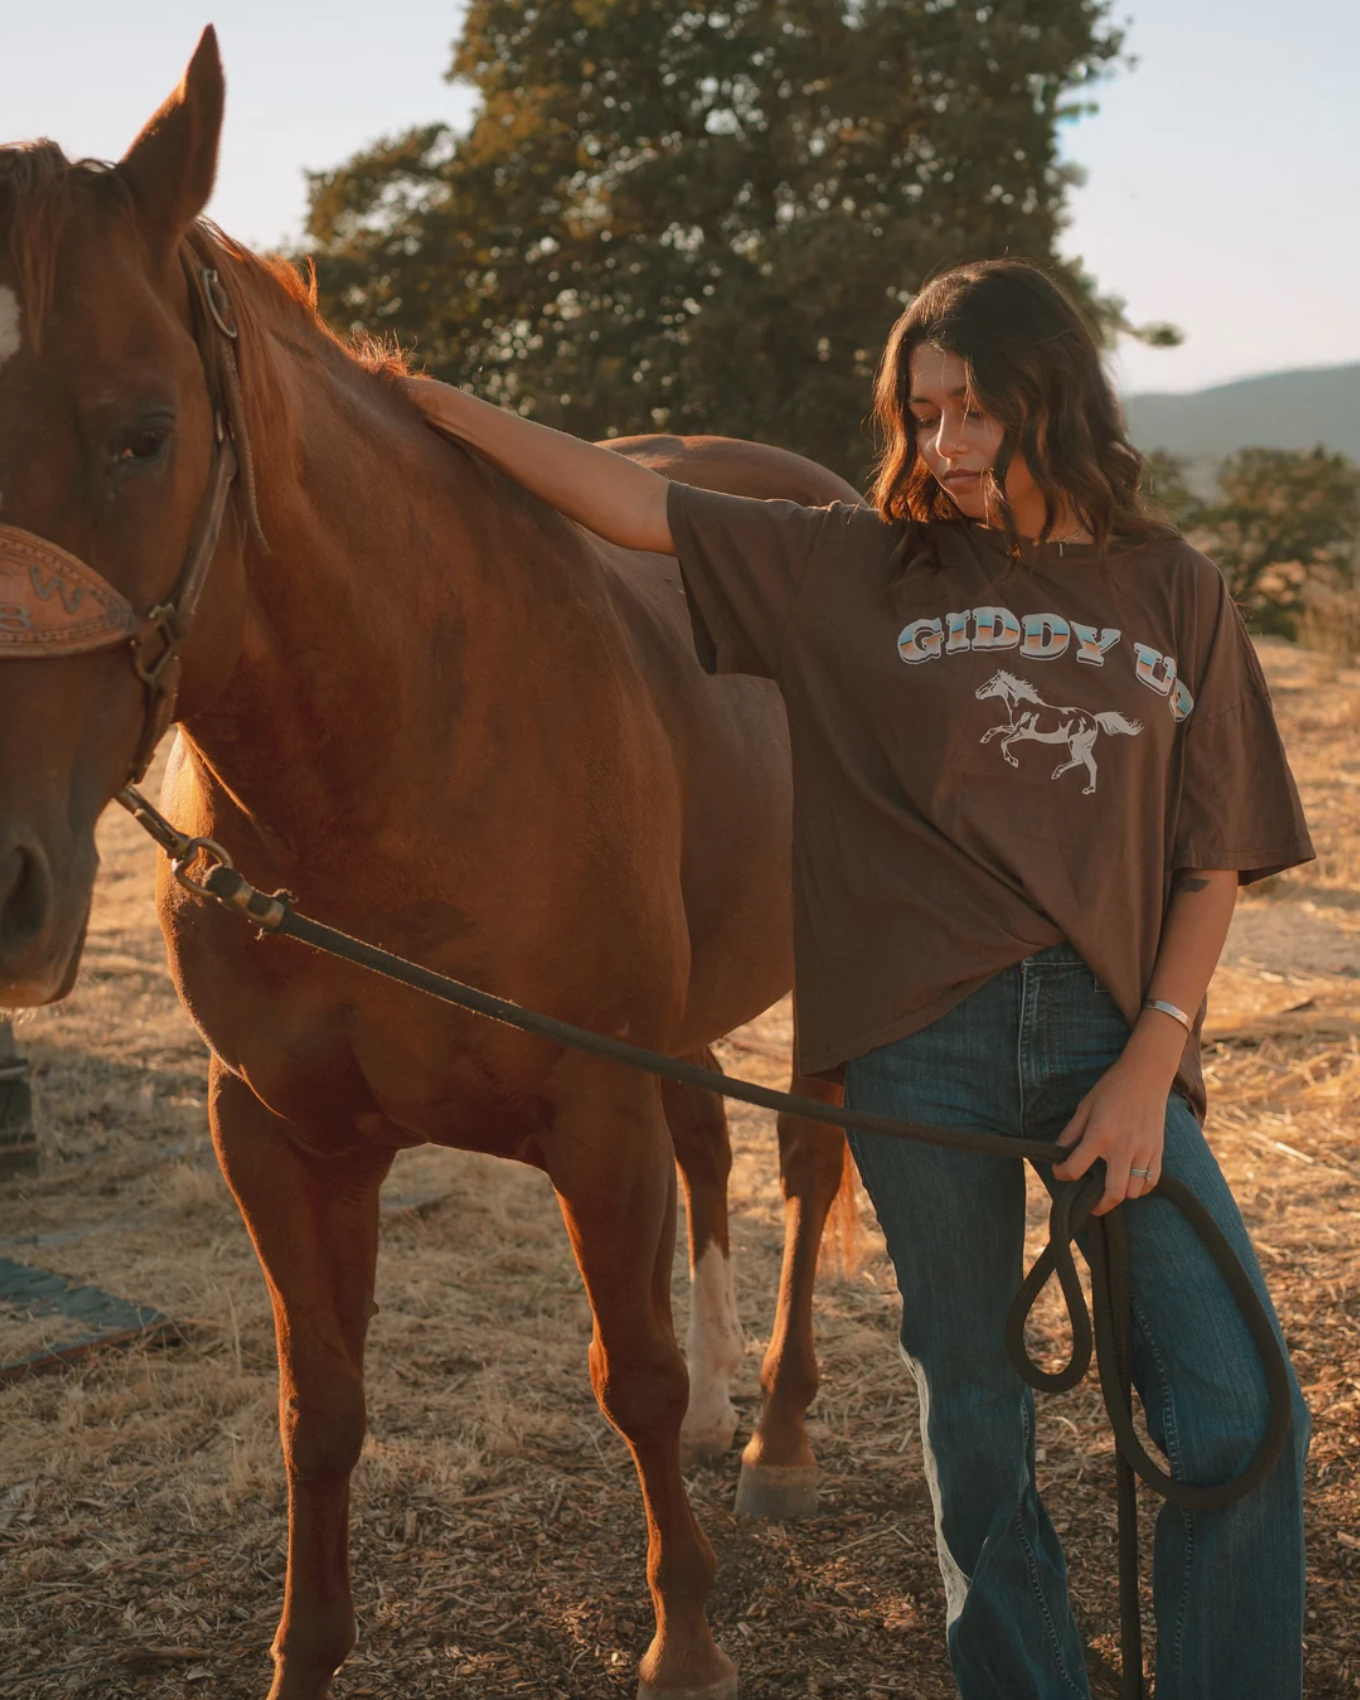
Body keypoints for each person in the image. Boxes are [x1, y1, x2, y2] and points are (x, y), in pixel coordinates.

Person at [401, 258, 1313, 1700]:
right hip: (918, 1045)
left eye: (975, 410)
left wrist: (1152, 1063)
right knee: (976, 1415)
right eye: (921, 415)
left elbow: (1212, 861)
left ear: (1055, 397)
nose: (945, 445)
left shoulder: (1175, 588)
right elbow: (632, 503)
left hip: (1114, 1038)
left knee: (1242, 1413)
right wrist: (424, 400)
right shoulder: (855, 567)